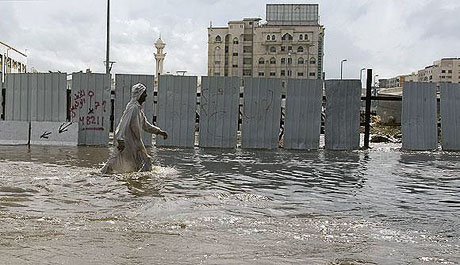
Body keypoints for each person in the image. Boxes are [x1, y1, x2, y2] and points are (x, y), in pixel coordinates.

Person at [101, 83, 168, 174]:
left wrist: (159, 132)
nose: (146, 95)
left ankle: (139, 181)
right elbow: (123, 124)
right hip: (127, 142)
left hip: (135, 142)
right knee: (115, 161)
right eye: (144, 93)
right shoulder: (133, 108)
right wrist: (120, 140)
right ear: (139, 94)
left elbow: (145, 125)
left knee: (142, 163)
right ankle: (102, 176)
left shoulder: (138, 109)